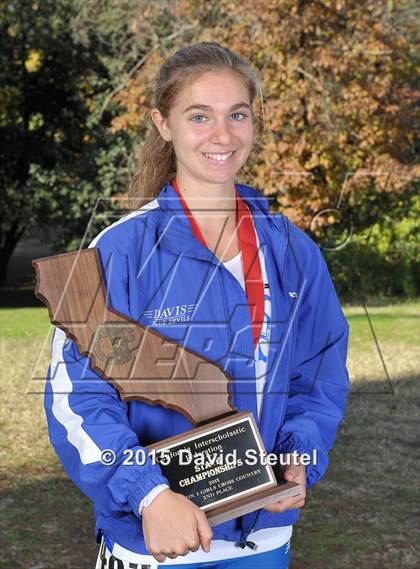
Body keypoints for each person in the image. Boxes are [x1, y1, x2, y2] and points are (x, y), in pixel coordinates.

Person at [44, 42, 350, 569]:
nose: (222, 135)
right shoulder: (118, 251)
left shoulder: (293, 251)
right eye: (199, 115)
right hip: (157, 542)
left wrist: (297, 460)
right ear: (163, 124)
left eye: (237, 114)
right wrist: (149, 496)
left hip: (264, 540)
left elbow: (316, 378)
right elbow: (77, 400)